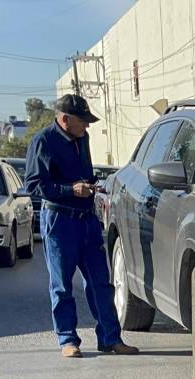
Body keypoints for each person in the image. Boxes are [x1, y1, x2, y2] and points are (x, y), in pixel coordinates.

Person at [25, 95, 137, 359]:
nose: (86, 128)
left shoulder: (82, 140)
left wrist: (92, 185)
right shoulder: (42, 141)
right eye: (82, 122)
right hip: (59, 222)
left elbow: (83, 174)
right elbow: (34, 186)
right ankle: (68, 340)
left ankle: (111, 338)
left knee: (101, 283)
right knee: (62, 285)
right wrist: (70, 190)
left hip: (86, 220)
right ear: (64, 120)